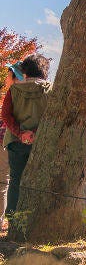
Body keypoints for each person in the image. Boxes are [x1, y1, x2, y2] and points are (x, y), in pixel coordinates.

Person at [1, 54, 52, 216]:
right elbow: (52, 116)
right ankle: (35, 216)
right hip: (42, 142)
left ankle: (12, 217)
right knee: (40, 181)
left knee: (15, 180)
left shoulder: (14, 89)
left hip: (16, 142)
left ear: (25, 72)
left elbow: (5, 115)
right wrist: (36, 134)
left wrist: (20, 133)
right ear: (45, 72)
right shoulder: (51, 90)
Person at [0, 62, 22, 227]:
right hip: (11, 143)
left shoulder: (15, 94)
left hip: (5, 143)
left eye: (8, 75)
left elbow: (7, 120)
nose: (6, 78)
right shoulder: (20, 94)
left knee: (2, 182)